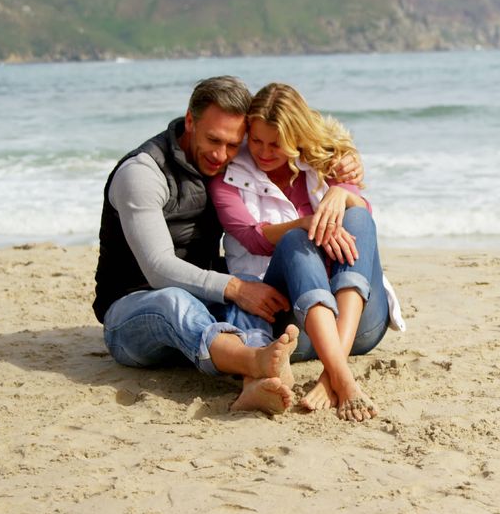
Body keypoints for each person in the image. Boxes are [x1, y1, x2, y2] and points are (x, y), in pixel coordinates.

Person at [92, 76, 362, 415]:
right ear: (190, 120)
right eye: (213, 140)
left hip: (203, 301)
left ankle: (255, 384)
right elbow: (158, 268)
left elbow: (290, 145)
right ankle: (255, 361)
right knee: (179, 298)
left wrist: (344, 170)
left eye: (233, 144)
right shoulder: (143, 174)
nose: (221, 155)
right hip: (132, 312)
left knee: (248, 292)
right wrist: (235, 287)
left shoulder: (232, 159)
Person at [208, 82, 405, 423]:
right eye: (256, 141)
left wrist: (342, 193)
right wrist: (307, 222)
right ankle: (343, 377)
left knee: (357, 214)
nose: (264, 152)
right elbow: (253, 239)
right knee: (295, 240)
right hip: (290, 328)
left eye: (277, 144)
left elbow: (363, 228)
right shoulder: (228, 177)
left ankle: (332, 375)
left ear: (296, 137)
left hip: (359, 326)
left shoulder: (326, 160)